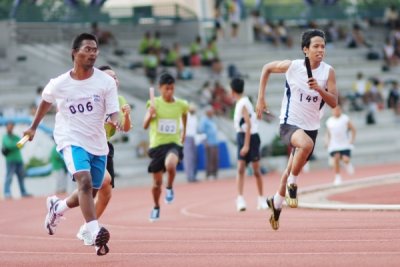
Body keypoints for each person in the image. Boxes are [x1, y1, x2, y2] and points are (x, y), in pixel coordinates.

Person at [22, 33, 120, 255]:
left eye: (95, 49)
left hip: (97, 142)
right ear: (74, 53)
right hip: (71, 139)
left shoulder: (106, 82)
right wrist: (34, 126)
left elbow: (113, 110)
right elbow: (46, 101)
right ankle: (94, 233)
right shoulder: (59, 83)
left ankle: (58, 207)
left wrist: (116, 121)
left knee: (89, 190)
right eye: (87, 49)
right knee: (84, 182)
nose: (92, 53)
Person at [256, 29, 338, 230]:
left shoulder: (328, 72)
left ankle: (275, 203)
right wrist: (260, 99)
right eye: (316, 46)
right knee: (304, 149)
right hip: (289, 124)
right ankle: (293, 184)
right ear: (305, 50)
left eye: (323, 47)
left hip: (311, 127)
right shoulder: (292, 66)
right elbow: (266, 68)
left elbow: (334, 102)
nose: (320, 50)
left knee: (289, 169)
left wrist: (320, 89)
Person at [76, 65, 132, 245]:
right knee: (103, 181)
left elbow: (125, 129)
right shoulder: (94, 98)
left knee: (106, 193)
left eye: (115, 76)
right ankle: (90, 225)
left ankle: (86, 228)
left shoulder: (120, 99)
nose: (114, 79)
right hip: (88, 146)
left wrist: (126, 116)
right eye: (109, 77)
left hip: (105, 147)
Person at [143, 73, 188, 222]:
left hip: (173, 143)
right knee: (156, 184)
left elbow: (185, 115)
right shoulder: (153, 103)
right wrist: (151, 115)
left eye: (172, 88)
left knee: (170, 165)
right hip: (157, 146)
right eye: (166, 89)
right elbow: (145, 126)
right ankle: (156, 206)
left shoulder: (181, 104)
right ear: (160, 88)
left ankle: (169, 187)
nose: (169, 92)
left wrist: (184, 132)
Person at [230, 78, 267, 212]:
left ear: (232, 91)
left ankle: (261, 199)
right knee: (241, 168)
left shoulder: (243, 103)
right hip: (243, 136)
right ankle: (240, 198)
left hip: (249, 137)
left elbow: (248, 124)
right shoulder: (243, 102)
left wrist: (246, 145)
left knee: (256, 170)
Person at [325, 105, 356, 185]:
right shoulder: (329, 121)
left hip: (344, 143)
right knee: (336, 158)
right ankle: (337, 177)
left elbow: (353, 129)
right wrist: (327, 142)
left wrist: (352, 139)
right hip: (334, 144)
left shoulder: (345, 118)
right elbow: (328, 133)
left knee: (345, 159)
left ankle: (347, 163)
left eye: (338, 110)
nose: (336, 111)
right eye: (335, 110)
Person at [2, 121, 32, 199]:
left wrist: (17, 144)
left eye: (11, 126)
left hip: (19, 159)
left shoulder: (15, 137)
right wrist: (17, 144)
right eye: (9, 126)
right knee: (9, 177)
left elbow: (21, 145)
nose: (10, 127)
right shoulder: (5, 137)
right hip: (10, 160)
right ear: (6, 127)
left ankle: (23, 192)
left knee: (21, 177)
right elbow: (10, 145)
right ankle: (7, 192)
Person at [198, 106, 219, 180]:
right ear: (207, 112)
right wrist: (205, 142)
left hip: (215, 141)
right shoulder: (204, 120)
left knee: (215, 158)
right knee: (209, 158)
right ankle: (209, 174)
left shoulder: (212, 119)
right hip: (209, 142)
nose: (212, 112)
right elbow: (201, 131)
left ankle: (214, 173)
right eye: (211, 111)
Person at [183, 103, 199, 183]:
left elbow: (196, 129)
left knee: (194, 158)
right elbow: (181, 128)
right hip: (187, 137)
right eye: (192, 108)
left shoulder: (195, 117)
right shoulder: (185, 116)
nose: (193, 110)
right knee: (188, 158)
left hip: (194, 138)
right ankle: (189, 176)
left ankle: (194, 175)